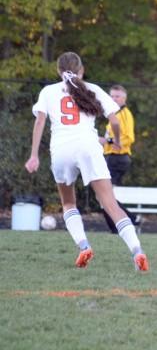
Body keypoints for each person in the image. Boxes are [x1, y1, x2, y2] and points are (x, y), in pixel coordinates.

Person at [24, 52, 148, 271]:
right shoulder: (92, 89)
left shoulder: (48, 91)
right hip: (88, 147)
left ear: (58, 71)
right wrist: (117, 141)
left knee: (69, 203)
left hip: (61, 150)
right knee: (110, 203)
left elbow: (40, 121)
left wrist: (34, 154)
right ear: (81, 70)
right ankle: (137, 251)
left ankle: (83, 246)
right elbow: (115, 121)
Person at [99, 84, 140, 233]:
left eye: (117, 96)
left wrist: (108, 141)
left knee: (104, 195)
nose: (114, 99)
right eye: (112, 96)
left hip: (118, 158)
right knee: (104, 196)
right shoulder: (113, 114)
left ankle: (129, 220)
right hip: (111, 157)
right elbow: (109, 138)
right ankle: (121, 225)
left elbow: (129, 138)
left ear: (124, 98)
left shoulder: (124, 114)